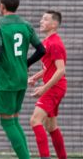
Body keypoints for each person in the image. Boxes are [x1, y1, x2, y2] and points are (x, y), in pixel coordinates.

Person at [0, 0, 46, 159]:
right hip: (21, 78)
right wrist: (25, 63)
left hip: (7, 79)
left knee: (6, 121)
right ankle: (26, 155)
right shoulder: (26, 25)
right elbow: (41, 50)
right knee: (15, 120)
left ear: (2, 6)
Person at [28, 10, 67, 159]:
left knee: (35, 120)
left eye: (45, 19)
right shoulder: (46, 42)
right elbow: (48, 67)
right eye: (41, 18)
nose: (41, 21)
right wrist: (35, 77)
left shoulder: (55, 43)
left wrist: (44, 88)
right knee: (51, 126)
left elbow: (61, 70)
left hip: (55, 88)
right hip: (54, 87)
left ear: (54, 24)